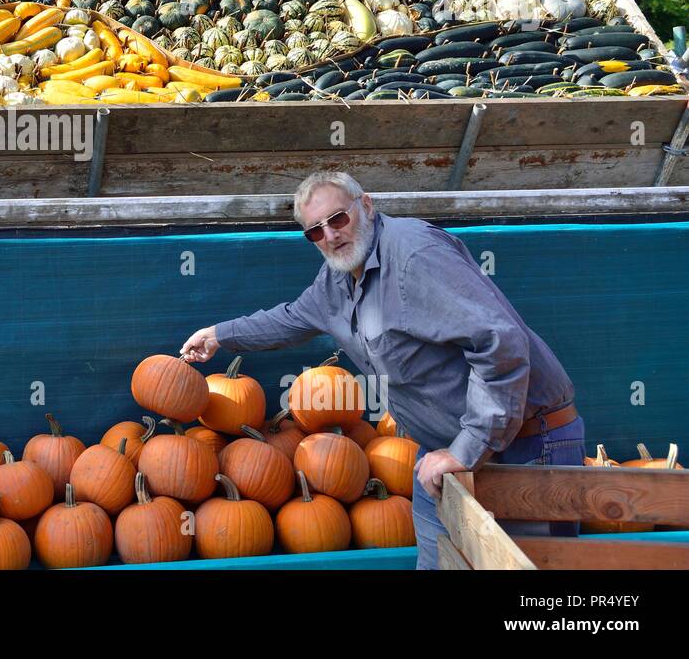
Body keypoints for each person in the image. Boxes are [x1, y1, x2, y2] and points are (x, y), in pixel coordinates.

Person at [179, 171, 584, 569]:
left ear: (366, 205)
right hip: (442, 458)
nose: (331, 235)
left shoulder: (415, 255)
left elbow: (499, 342)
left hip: (523, 448)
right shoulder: (338, 278)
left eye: (338, 219)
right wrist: (219, 335)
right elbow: (293, 318)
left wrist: (467, 447)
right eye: (315, 232)